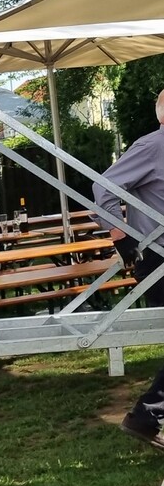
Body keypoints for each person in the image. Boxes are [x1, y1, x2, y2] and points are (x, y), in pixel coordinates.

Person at [92, 91, 164, 449]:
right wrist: (121, 236)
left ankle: (148, 415)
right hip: (158, 258)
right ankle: (147, 414)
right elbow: (102, 188)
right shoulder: (152, 146)